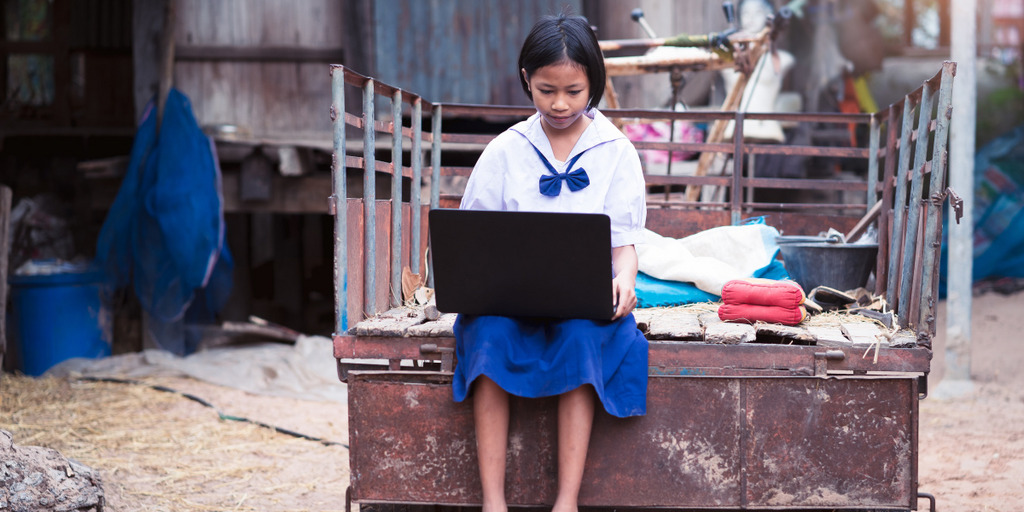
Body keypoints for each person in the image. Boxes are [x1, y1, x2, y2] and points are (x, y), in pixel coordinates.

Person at [453, 12, 649, 512]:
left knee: (583, 338)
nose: (559, 104)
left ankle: (567, 501)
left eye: (574, 91)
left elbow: (624, 243)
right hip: (510, 300)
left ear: (594, 85)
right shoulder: (505, 151)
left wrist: (625, 279)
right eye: (545, 90)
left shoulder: (616, 152)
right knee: (489, 335)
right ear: (526, 81)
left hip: (581, 303)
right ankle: (492, 501)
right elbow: (472, 236)